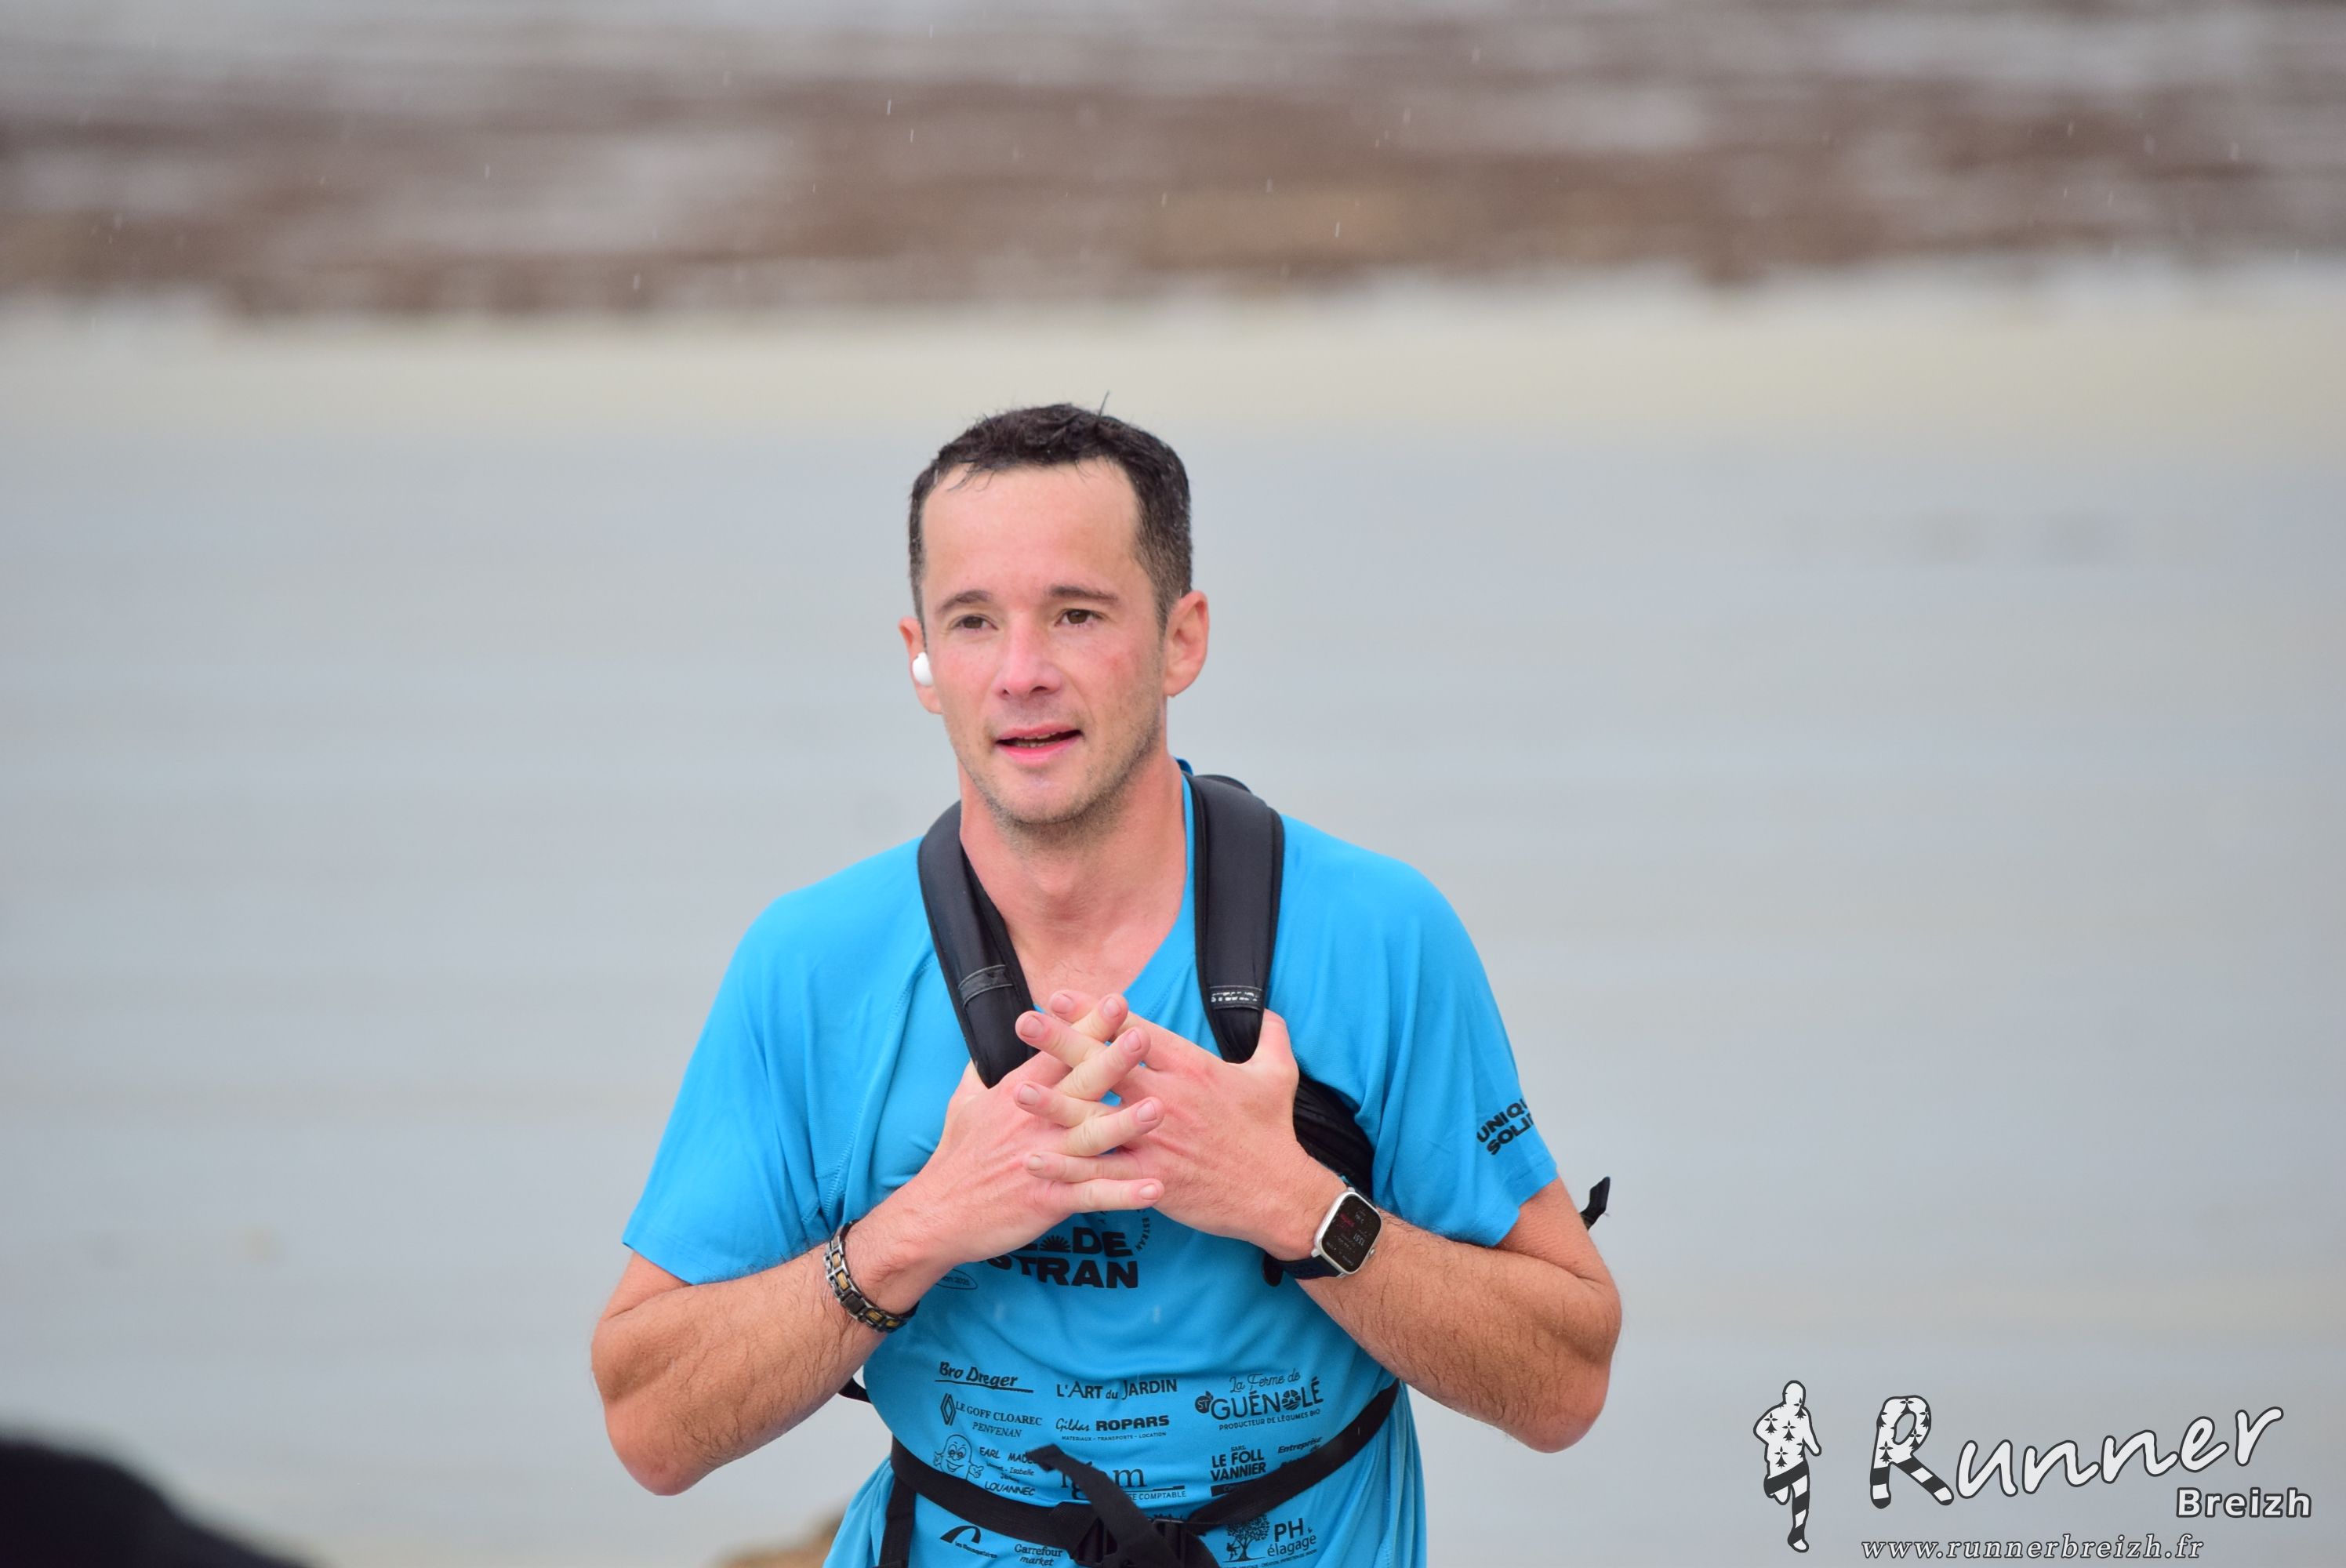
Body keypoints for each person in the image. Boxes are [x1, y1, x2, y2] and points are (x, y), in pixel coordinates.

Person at [590, 405, 1621, 1567]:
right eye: (974, 622)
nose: (1022, 674)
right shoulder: (814, 966)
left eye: (1077, 615)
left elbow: (1566, 1383)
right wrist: (921, 1227)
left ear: (1183, 639)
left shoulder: (1377, 935)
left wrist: (1296, 1206)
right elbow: (649, 1428)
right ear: (921, 658)